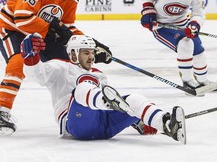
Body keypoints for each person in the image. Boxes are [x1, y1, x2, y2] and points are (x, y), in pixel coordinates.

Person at [0, 0, 112, 135]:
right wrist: (54, 25)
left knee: (72, 64)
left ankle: (97, 101)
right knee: (19, 62)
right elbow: (22, 18)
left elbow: (67, 28)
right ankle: (2, 111)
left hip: (43, 32)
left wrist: (89, 45)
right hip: (12, 28)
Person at [19, 33, 187, 144]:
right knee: (83, 88)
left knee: (133, 99)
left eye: (92, 52)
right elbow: (38, 74)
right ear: (72, 54)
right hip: (76, 123)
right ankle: (109, 103)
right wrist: (30, 59)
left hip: (104, 125)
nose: (92, 56)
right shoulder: (60, 68)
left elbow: (116, 102)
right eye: (86, 52)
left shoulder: (100, 75)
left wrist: (138, 120)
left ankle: (166, 124)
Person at [140, 0, 217, 96]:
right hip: (162, 26)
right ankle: (187, 81)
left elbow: (199, 13)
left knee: (199, 50)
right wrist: (149, 14)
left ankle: (202, 80)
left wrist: (194, 24)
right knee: (185, 44)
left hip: (183, 24)